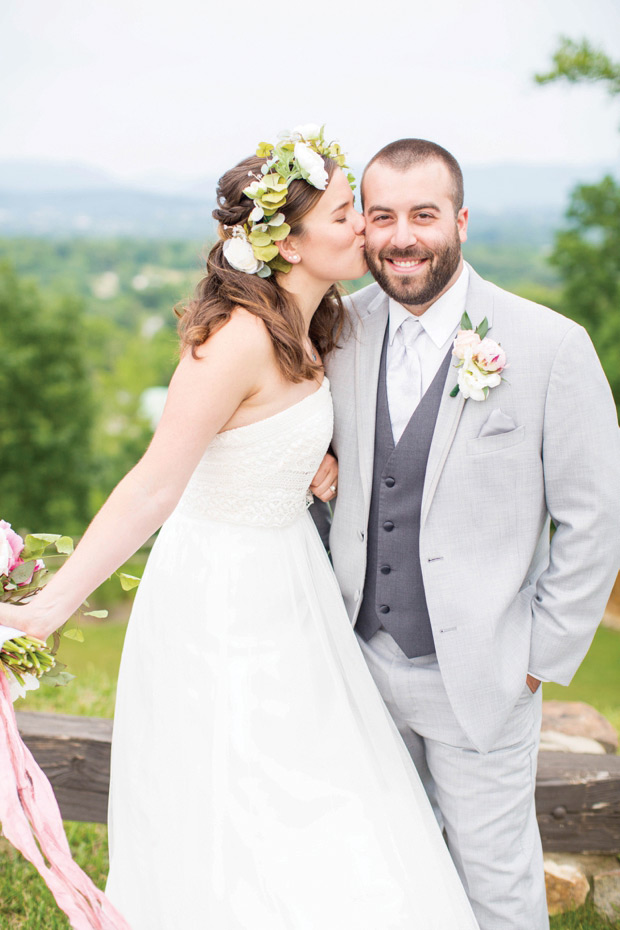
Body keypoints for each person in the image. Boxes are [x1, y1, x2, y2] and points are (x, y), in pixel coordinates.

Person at [0, 128, 480, 929]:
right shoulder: (236, 339)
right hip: (220, 602)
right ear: (286, 241)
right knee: (244, 797)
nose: (363, 225)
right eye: (343, 213)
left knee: (329, 789)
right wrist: (50, 608)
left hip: (294, 585)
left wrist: (319, 461)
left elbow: (273, 434)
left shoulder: (317, 321)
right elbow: (153, 486)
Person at [315, 138, 620, 930]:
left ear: (460, 220)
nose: (402, 237)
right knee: (384, 876)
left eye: (423, 214)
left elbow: (595, 519)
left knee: (497, 892)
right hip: (357, 659)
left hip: (485, 676)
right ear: (363, 229)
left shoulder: (550, 346)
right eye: (381, 216)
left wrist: (537, 660)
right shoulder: (338, 329)